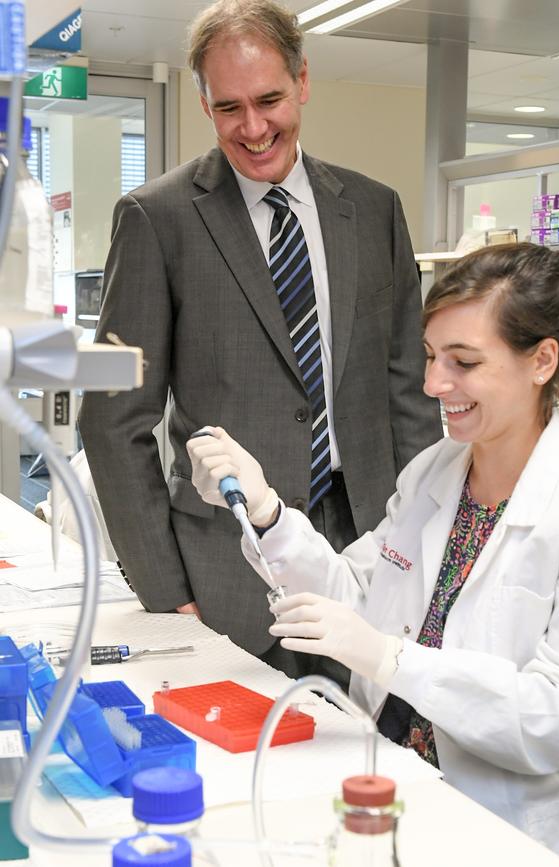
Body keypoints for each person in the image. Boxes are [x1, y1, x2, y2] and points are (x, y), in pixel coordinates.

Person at [187, 242, 559, 867]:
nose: (435, 384)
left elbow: (558, 719)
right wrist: (266, 512)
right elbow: (358, 601)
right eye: (432, 357)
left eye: (463, 362)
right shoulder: (437, 471)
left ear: (542, 360)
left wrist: (389, 658)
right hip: (397, 785)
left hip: (515, 829)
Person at [77, 0, 441, 677]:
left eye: (270, 99)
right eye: (228, 108)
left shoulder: (372, 210)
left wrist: (423, 541)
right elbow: (113, 416)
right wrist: (165, 587)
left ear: (303, 80)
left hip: (368, 547)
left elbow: (409, 393)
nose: (252, 127)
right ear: (203, 100)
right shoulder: (158, 219)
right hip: (222, 569)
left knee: (365, 756)